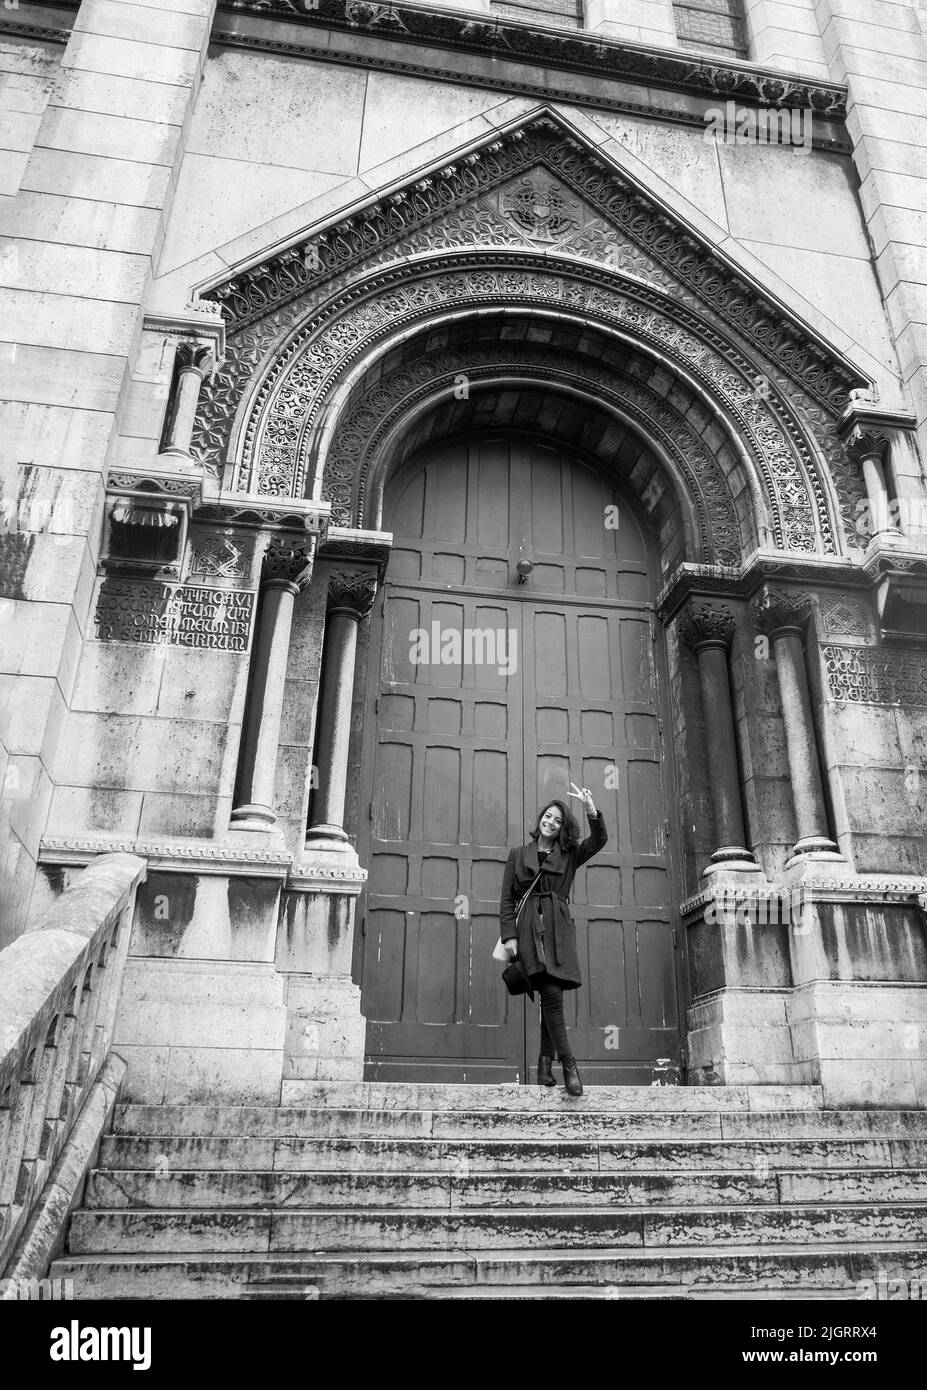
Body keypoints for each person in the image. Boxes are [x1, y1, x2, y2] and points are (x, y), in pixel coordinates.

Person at [499, 785, 608, 1097]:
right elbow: (507, 900)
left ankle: (545, 1065)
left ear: (562, 828)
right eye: (548, 816)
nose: (550, 822)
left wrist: (591, 809)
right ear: (540, 819)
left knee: (552, 995)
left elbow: (599, 840)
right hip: (528, 934)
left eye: (557, 820)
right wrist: (509, 936)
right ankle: (569, 1066)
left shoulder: (570, 855)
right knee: (552, 995)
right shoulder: (518, 855)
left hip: (558, 932)